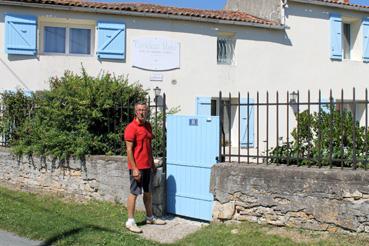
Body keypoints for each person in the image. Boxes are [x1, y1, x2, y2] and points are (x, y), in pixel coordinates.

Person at [124, 101, 166, 233]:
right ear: (135, 112)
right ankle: (130, 221)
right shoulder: (131, 127)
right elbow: (129, 150)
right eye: (139, 110)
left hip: (148, 166)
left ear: (147, 111)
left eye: (144, 110)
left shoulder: (148, 126)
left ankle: (150, 217)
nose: (142, 112)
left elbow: (148, 147)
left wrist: (152, 164)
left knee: (148, 193)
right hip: (137, 167)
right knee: (134, 193)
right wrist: (135, 169)